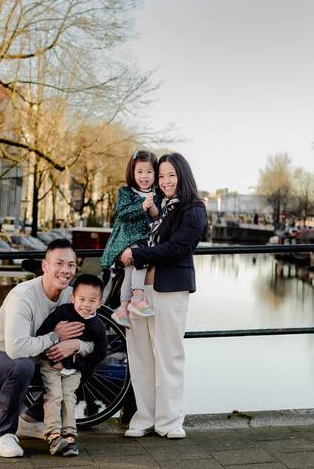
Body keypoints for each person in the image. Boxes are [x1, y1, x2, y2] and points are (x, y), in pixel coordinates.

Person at [0, 238, 92, 458]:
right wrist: (56, 336)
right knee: (21, 366)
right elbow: (16, 350)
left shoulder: (73, 296)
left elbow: (94, 333)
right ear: (45, 266)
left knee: (81, 363)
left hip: (37, 357)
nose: (65, 270)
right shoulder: (23, 296)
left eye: (71, 265)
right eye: (59, 263)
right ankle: (4, 434)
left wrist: (75, 344)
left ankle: (29, 421)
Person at [119, 152, 207, 439]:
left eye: (171, 175)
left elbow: (177, 248)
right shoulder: (157, 206)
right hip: (140, 290)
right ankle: (145, 417)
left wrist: (138, 254)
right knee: (140, 355)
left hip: (170, 291)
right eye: (161, 177)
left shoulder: (193, 209)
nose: (166, 181)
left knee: (169, 356)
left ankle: (170, 421)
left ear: (182, 176)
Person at [34, 274, 108, 457]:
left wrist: (81, 365)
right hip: (51, 364)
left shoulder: (97, 326)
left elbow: (100, 352)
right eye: (81, 299)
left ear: (100, 302)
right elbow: (43, 333)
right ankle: (53, 435)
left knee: (69, 398)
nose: (86, 304)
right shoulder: (63, 313)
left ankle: (69, 437)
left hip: (74, 370)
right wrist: (53, 358)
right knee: (54, 396)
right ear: (72, 297)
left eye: (92, 300)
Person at [100, 150, 160, 328]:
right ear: (132, 173)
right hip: (127, 238)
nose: (144, 176)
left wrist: (151, 206)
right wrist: (141, 206)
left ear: (155, 174)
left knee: (129, 271)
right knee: (141, 261)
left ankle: (123, 308)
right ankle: (138, 298)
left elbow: (156, 216)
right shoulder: (125, 192)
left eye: (149, 172)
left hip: (143, 239)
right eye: (140, 171)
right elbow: (122, 213)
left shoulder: (155, 194)